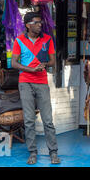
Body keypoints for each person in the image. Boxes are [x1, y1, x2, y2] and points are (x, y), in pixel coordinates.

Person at [11, 11, 60, 165]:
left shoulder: (47, 39)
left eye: (40, 23)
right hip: (25, 82)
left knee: (48, 120)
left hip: (42, 82)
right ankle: (32, 152)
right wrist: (30, 69)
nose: (40, 25)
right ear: (28, 25)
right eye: (36, 23)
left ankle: (53, 152)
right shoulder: (19, 40)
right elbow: (13, 63)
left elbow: (53, 61)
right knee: (29, 120)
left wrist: (45, 64)